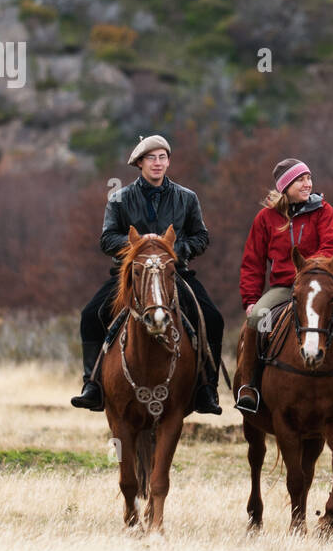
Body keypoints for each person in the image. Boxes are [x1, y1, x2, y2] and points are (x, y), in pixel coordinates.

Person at [72, 135, 224, 415]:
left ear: (168, 161)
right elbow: (107, 240)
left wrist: (172, 249)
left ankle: (207, 389)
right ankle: (92, 385)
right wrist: (141, 247)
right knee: (90, 315)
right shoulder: (119, 198)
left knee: (213, 318)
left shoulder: (187, 197)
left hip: (174, 272)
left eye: (162, 157)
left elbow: (201, 237)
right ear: (139, 163)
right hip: (132, 274)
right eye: (151, 158)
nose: (157, 163)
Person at [232, 159, 333, 417]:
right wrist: (251, 300)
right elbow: (252, 263)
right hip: (282, 288)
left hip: (319, 284)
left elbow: (331, 246)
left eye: (309, 178)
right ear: (285, 186)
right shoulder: (265, 218)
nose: (308, 183)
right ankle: (250, 387)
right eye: (300, 179)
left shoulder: (324, 211)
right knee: (258, 319)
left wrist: (310, 269)